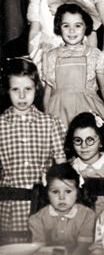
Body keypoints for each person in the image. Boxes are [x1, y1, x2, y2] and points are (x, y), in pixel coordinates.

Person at [0, 58, 66, 238]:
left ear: (36, 88)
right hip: (9, 203)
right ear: (7, 90)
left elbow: (61, 164)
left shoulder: (50, 123)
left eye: (27, 89)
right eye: (15, 89)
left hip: (43, 202)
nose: (22, 96)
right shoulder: (1, 125)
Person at [43, 2, 104, 127]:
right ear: (59, 27)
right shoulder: (52, 56)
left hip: (88, 108)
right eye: (66, 25)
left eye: (78, 25)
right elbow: (48, 91)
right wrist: (44, 115)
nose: (72, 30)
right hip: (59, 110)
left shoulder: (94, 54)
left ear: (85, 27)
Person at [28, 163, 95, 254]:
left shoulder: (87, 215)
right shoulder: (37, 219)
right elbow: (39, 249)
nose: (61, 197)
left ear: (77, 192)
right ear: (47, 193)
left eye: (68, 191)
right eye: (55, 192)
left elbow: (83, 247)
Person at [65, 112, 104, 179]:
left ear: (101, 142)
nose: (83, 146)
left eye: (89, 140)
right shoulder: (68, 169)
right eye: (78, 140)